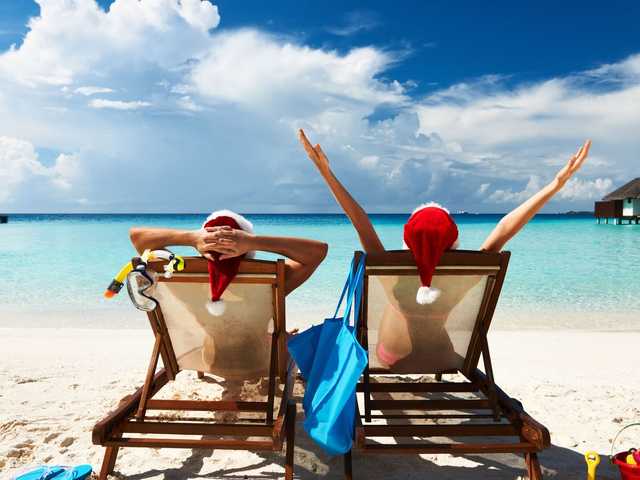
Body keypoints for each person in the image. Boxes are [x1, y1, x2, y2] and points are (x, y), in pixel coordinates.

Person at [299, 128, 591, 370]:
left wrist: (326, 173)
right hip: (444, 357)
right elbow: (504, 228)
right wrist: (556, 184)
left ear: (407, 241)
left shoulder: (393, 276)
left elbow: (360, 222)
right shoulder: (463, 277)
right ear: (454, 243)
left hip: (392, 359)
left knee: (392, 307)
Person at [129, 210, 328, 373]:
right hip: (261, 362)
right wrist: (254, 241)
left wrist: (191, 237)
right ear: (247, 251)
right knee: (296, 339)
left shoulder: (183, 280)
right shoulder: (270, 281)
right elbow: (318, 252)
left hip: (211, 362)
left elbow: (137, 237)